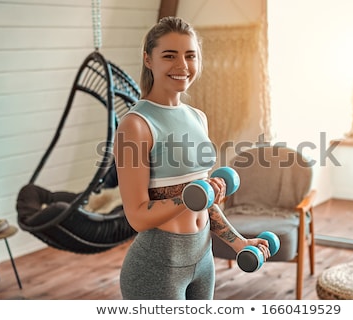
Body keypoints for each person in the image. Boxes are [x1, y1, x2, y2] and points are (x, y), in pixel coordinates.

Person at [113, 16, 270, 300]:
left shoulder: (198, 118)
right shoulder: (135, 125)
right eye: (169, 56)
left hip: (202, 259)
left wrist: (238, 242)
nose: (182, 66)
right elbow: (137, 216)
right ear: (148, 59)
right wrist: (190, 195)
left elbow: (203, 200)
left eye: (190, 56)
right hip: (157, 266)